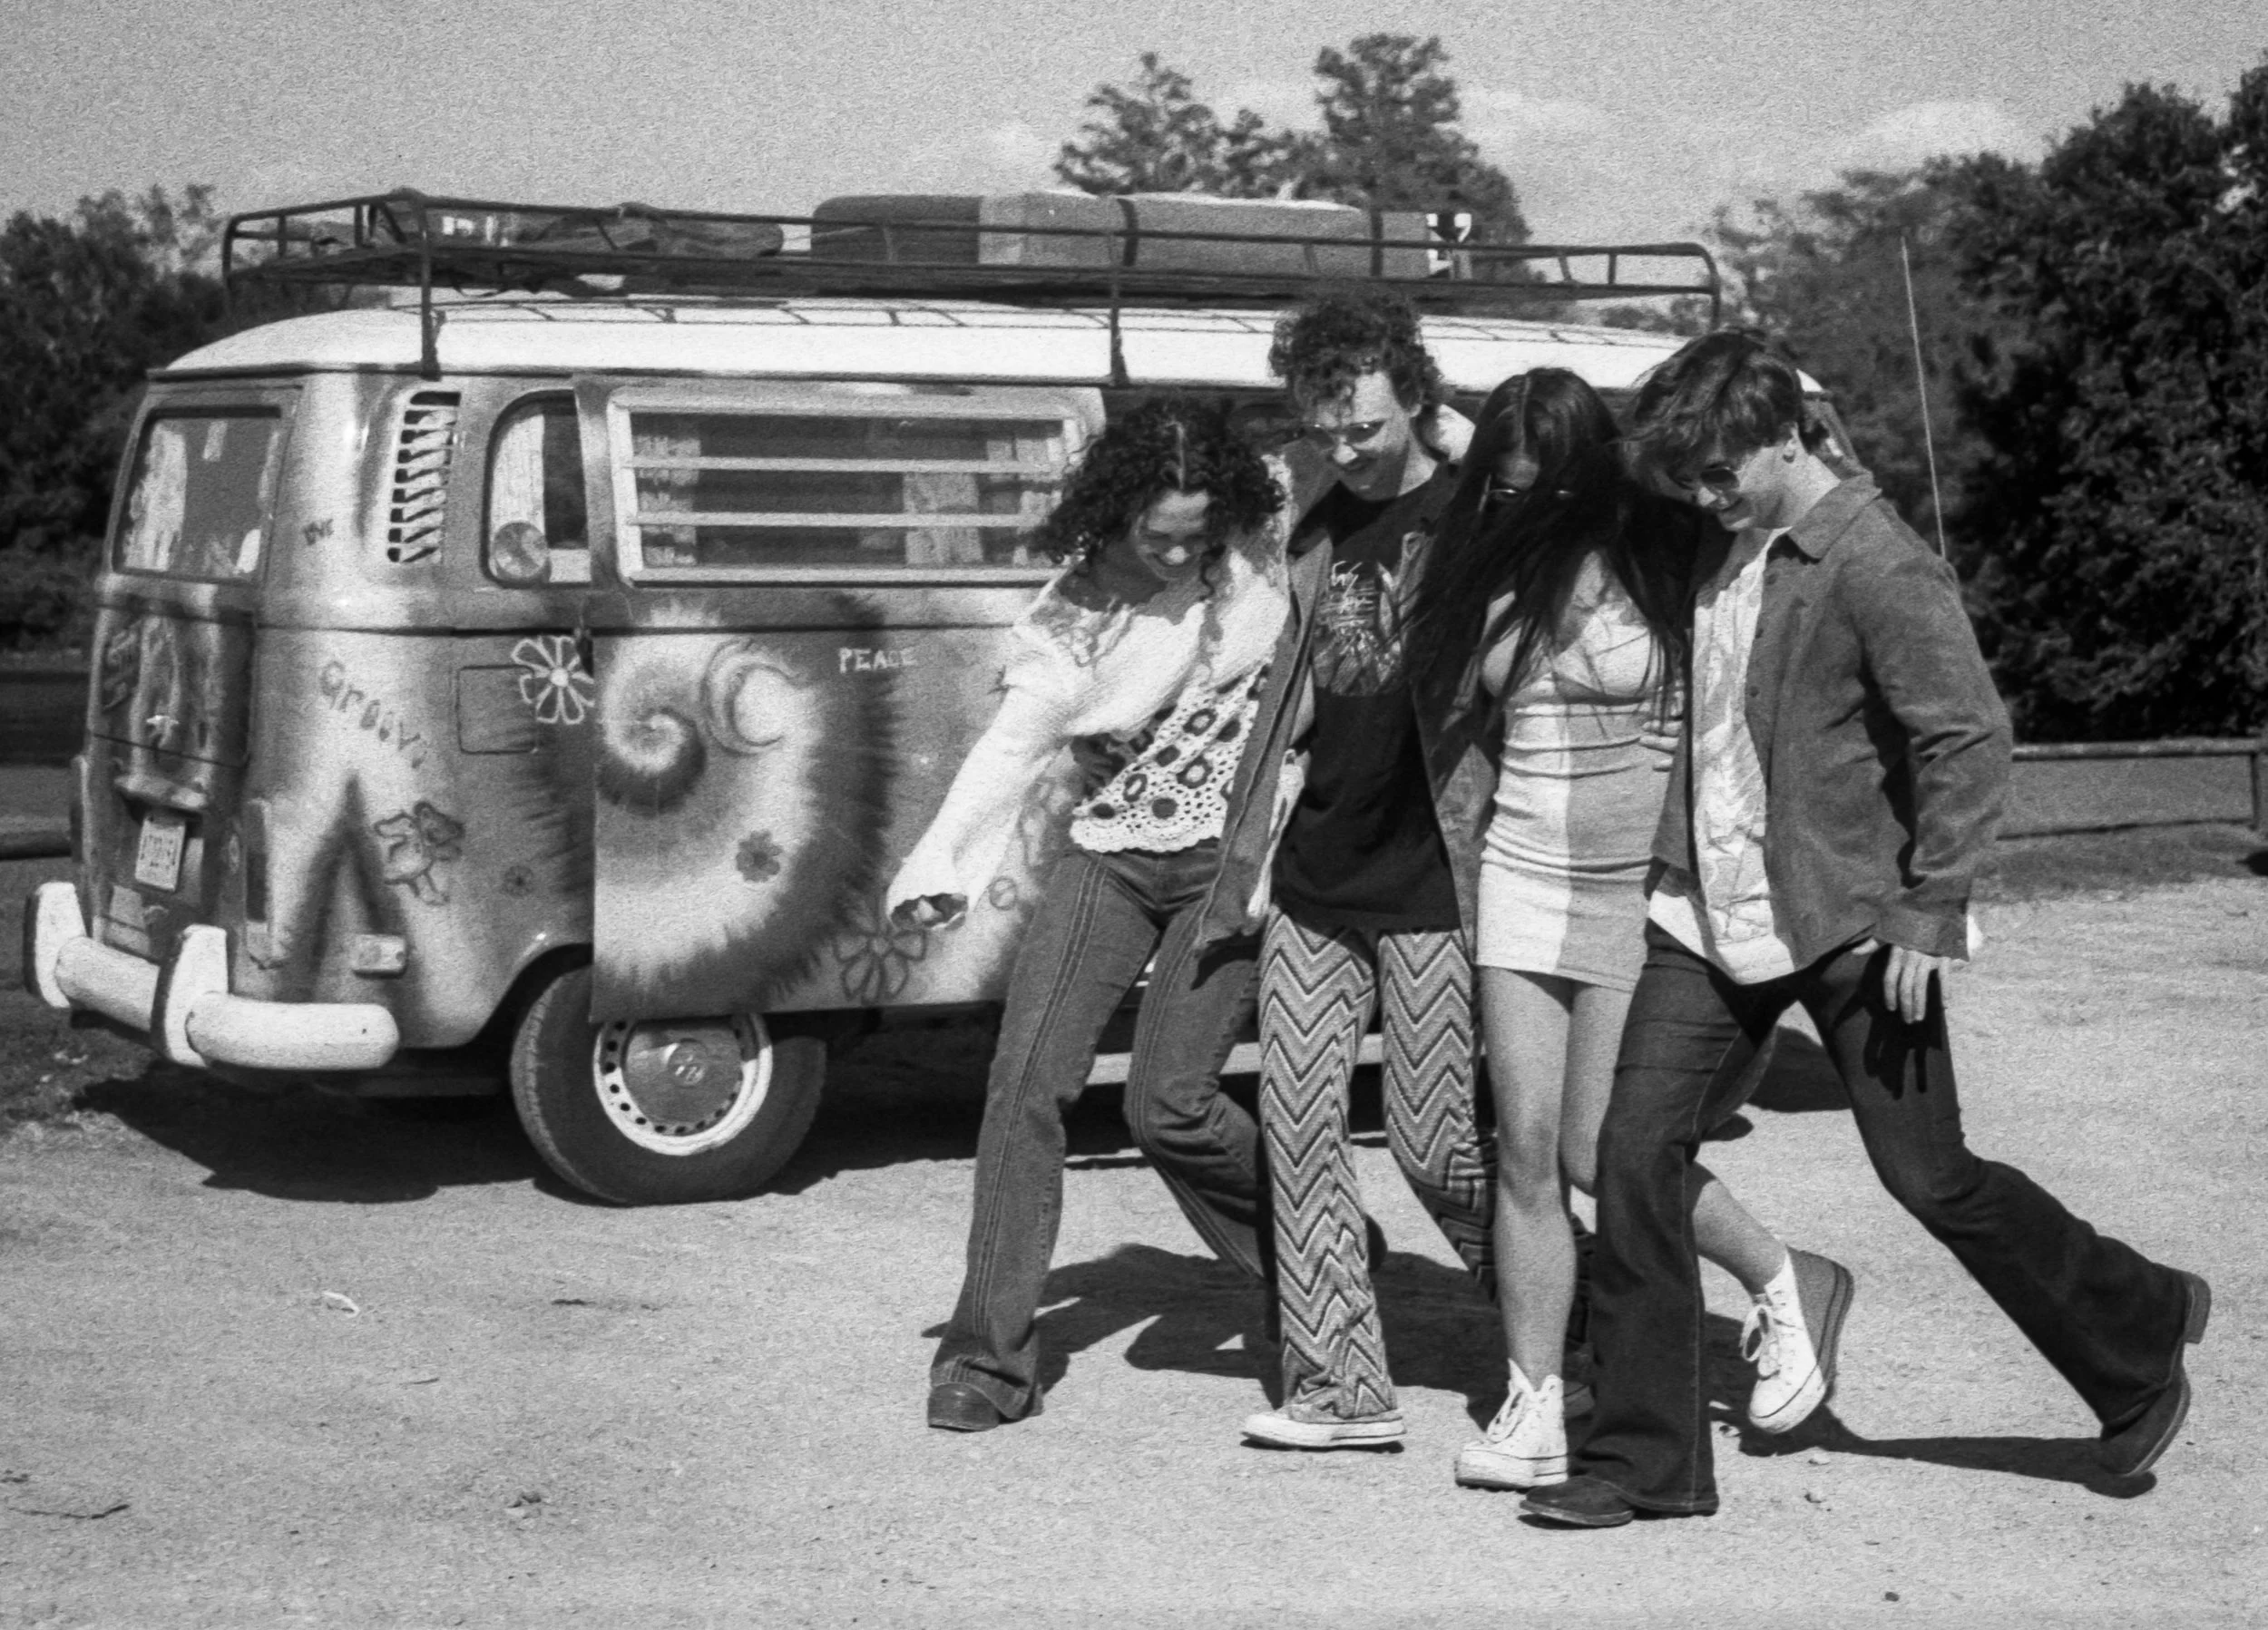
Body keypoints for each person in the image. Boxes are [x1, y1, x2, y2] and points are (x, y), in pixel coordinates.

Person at [1521, 331, 2212, 1528]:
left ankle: (2136, 1329)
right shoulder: (1716, 531)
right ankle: (1645, 1462)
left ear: (1787, 439)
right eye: (1686, 478)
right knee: (1631, 1156)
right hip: (1707, 915)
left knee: (1929, 1176)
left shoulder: (1878, 566)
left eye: (1720, 473)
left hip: (1846, 921)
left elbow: (1967, 735)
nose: (1699, 498)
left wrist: (1930, 905)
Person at [1403, 369, 1842, 1491]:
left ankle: (1786, 1274)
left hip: (1635, 892)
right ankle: (1537, 1401)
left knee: (1603, 1153)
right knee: (1525, 1154)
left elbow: (1772, 476)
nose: (1524, 509)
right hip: (1519, 878)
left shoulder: (1668, 555)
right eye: (1504, 491)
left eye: (1544, 488)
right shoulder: (1487, 568)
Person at [893, 398, 1291, 1433]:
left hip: (1229, 857)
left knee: (1170, 1105)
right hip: (1113, 852)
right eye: (1150, 532)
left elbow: (1412, 456)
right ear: (1112, 512)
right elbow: (1014, 746)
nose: (1170, 552)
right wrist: (940, 861)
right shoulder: (1073, 612)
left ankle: (1314, 1254)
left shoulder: (1271, 538)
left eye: (1191, 534)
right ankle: (986, 1360)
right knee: (1023, 1079)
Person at [1193, 291, 1498, 1450]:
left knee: (1434, 1145)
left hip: (1438, 870)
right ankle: (1340, 1389)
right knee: (1299, 1133)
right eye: (1324, 427)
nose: (1346, 447)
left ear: (1414, 394)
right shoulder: (1311, 505)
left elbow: (1588, 484)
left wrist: (1462, 437)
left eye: (1365, 423)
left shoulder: (1478, 498)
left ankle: (1571, 1331)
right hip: (1318, 869)